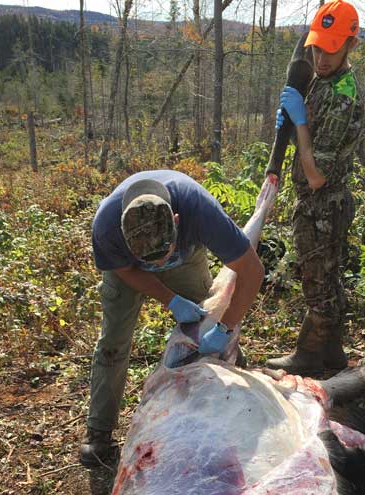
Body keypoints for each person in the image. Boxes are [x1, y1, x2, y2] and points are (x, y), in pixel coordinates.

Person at [80, 170, 264, 467]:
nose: (159, 266)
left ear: (177, 221)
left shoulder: (199, 210)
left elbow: (252, 271)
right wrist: (170, 299)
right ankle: (99, 430)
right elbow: (126, 270)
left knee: (207, 322)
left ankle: (232, 404)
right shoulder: (106, 227)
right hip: (127, 271)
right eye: (151, 261)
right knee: (113, 342)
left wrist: (224, 327)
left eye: (163, 256)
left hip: (187, 258)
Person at [267, 0, 363, 376]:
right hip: (316, 205)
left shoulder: (343, 95)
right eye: (317, 46)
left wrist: (301, 123)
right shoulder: (325, 81)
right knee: (324, 280)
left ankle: (311, 356)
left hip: (323, 204)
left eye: (332, 48)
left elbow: (317, 174)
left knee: (318, 286)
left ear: (351, 45)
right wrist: (293, 119)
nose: (321, 57)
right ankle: (332, 356)